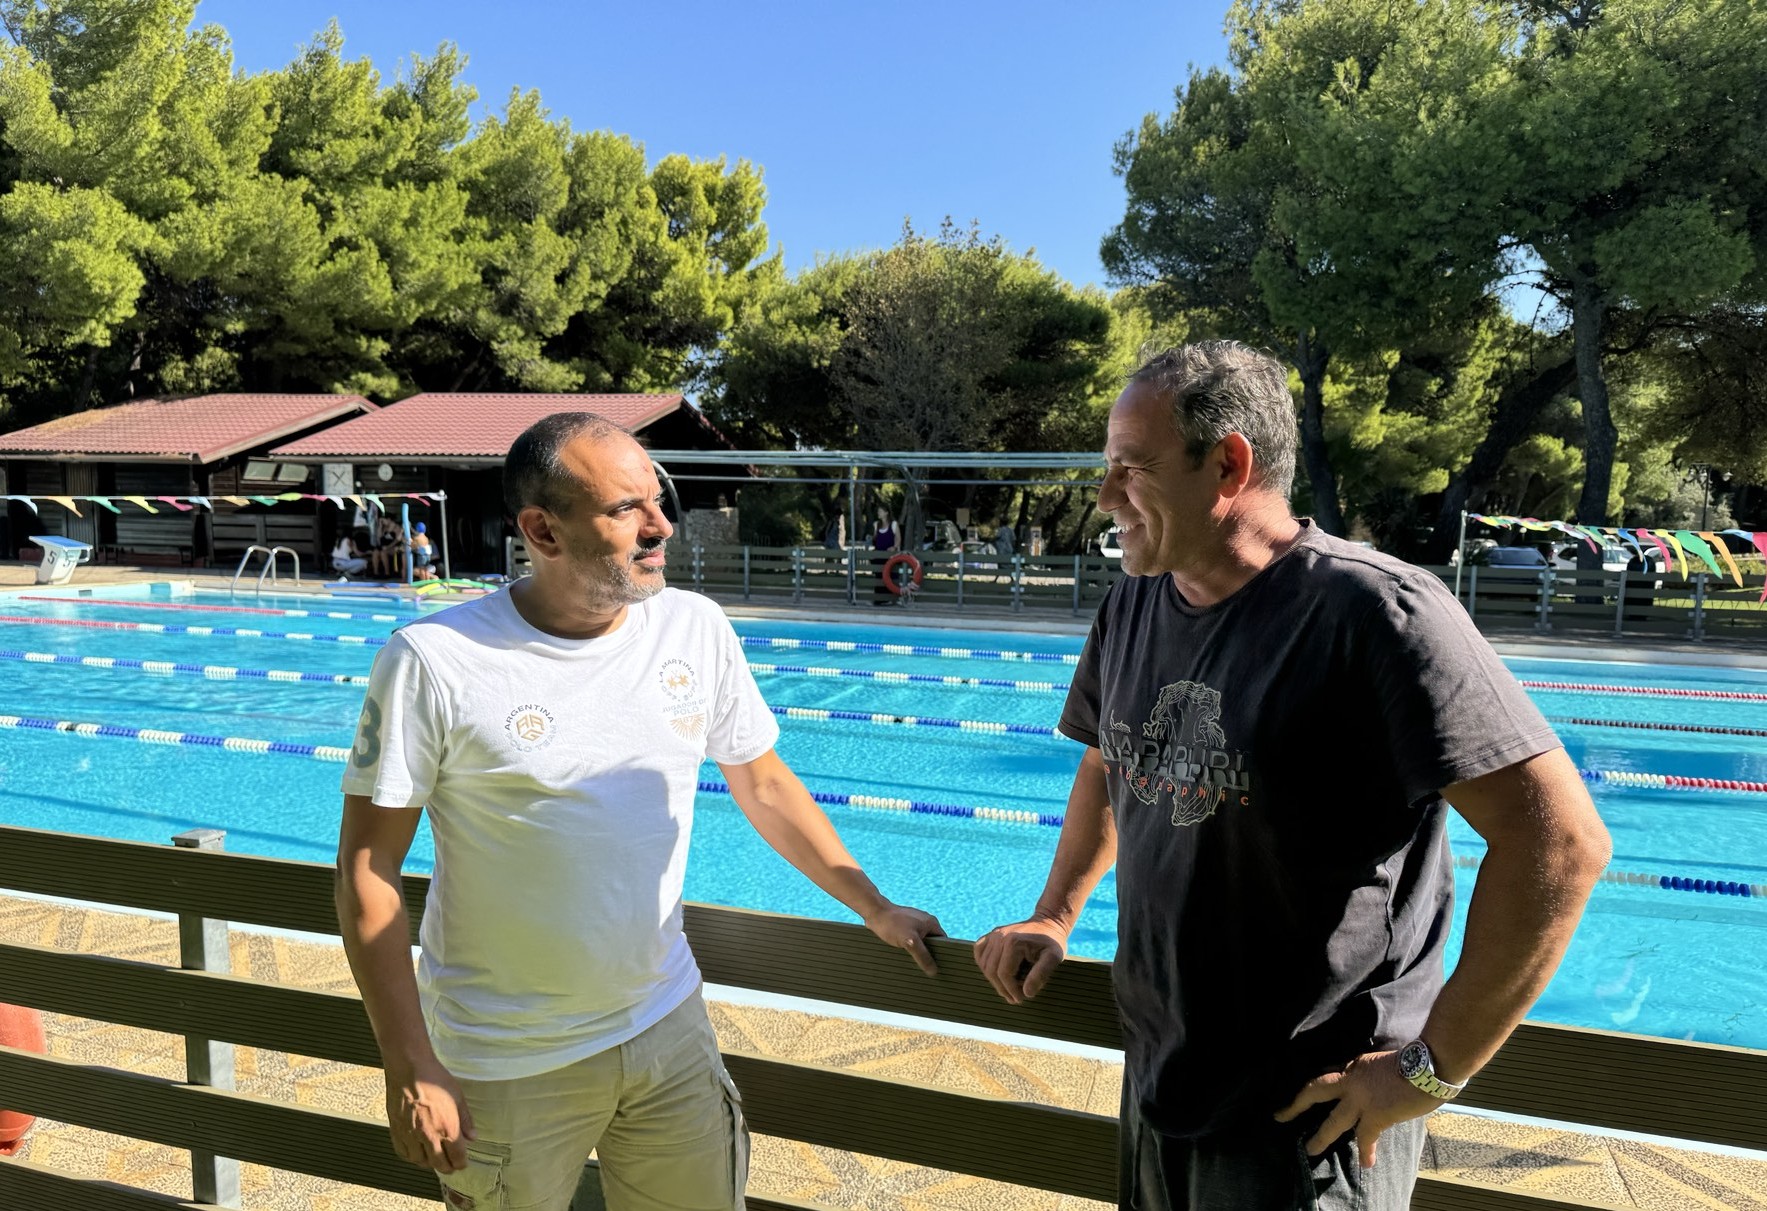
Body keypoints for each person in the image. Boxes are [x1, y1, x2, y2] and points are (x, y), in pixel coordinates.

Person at [974, 342, 1610, 1211]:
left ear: (1227, 464)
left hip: (1308, 1119)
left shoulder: (1374, 612)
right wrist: (1054, 914)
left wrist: (1430, 1069)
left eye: (1131, 467)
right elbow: (1106, 761)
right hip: (1163, 1080)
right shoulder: (1133, 600)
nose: (1105, 496)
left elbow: (1561, 843)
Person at [335, 412, 943, 1211]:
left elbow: (762, 782)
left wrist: (874, 904)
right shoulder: (435, 659)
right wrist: (410, 1062)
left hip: (666, 1029)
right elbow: (368, 867)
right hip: (507, 1057)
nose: (660, 525)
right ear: (542, 531)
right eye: (626, 509)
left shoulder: (694, 627)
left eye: (656, 499)